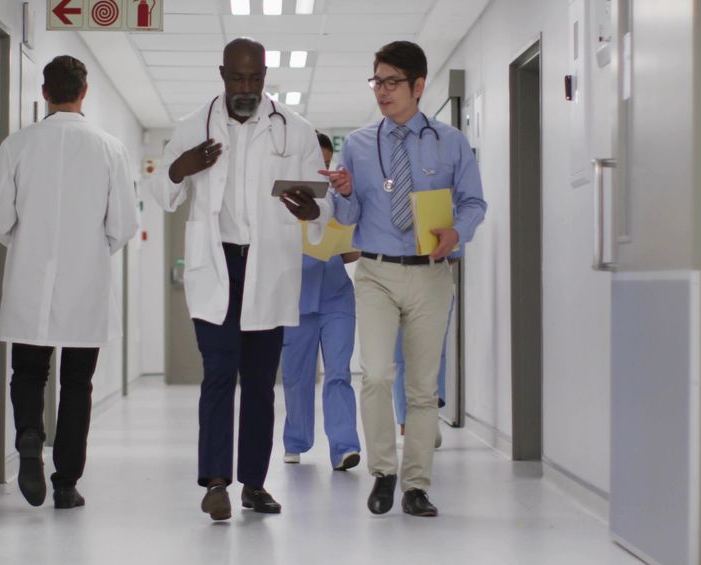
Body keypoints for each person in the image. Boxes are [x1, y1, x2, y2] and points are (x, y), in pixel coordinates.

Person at [144, 37, 332, 522]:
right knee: (219, 373)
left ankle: (253, 483)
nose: (246, 87)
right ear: (223, 73)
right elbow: (161, 195)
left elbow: (322, 201)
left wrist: (315, 209)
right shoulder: (192, 127)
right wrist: (180, 169)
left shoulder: (296, 131)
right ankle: (215, 482)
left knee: (259, 382)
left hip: (268, 266)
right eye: (237, 77)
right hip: (218, 264)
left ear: (265, 76)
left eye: (255, 78)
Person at [322, 41, 486, 517]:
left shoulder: (450, 142)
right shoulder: (356, 143)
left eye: (392, 82)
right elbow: (348, 216)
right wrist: (345, 193)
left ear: (418, 86)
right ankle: (384, 473)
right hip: (374, 272)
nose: (383, 91)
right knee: (374, 373)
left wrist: (458, 231)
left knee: (421, 387)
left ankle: (416, 485)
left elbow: (475, 203)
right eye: (377, 81)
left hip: (430, 274)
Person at [0, 55, 139, 509]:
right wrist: (91, 252)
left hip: (30, 279)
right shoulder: (110, 148)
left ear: (45, 93)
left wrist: (28, 244)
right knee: (77, 384)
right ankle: (66, 482)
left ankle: (30, 436)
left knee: (28, 371)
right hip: (86, 285)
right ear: (83, 92)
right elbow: (124, 224)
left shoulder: (17, 145)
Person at [281, 133, 362, 471]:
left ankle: (344, 446)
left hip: (336, 297)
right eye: (318, 162)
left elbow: (351, 250)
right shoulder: (282, 198)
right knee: (297, 376)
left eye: (328, 162)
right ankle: (296, 441)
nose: (323, 168)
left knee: (339, 373)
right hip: (294, 297)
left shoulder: (340, 199)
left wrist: (349, 240)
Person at [393, 298, 454, 448]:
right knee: (406, 355)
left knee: (430, 351)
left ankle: (424, 418)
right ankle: (412, 425)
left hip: (431, 283)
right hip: (398, 285)